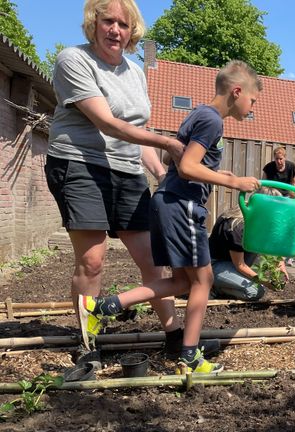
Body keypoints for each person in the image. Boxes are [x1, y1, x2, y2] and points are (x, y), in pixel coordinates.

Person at [77, 60, 263, 373]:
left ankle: (102, 306)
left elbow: (172, 156)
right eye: (253, 100)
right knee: (203, 280)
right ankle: (190, 357)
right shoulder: (213, 121)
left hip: (168, 202)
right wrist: (234, 182)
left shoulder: (198, 113)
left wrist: (215, 172)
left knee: (180, 281)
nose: (252, 107)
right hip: (182, 206)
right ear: (236, 91)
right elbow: (188, 167)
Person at [45, 0, 193, 355]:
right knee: (93, 260)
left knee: (152, 260)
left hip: (126, 171)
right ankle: (87, 341)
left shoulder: (135, 71)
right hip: (79, 164)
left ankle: (173, 336)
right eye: (108, 21)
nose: (115, 30)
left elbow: (136, 128)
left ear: (132, 32)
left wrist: (161, 173)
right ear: (93, 23)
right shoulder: (73, 60)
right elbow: (108, 123)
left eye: (123, 25)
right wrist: (169, 143)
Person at [208, 186, 289, 300]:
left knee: (261, 270)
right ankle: (214, 286)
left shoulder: (259, 219)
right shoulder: (237, 225)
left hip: (235, 262)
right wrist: (265, 282)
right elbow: (240, 265)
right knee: (255, 291)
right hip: (214, 265)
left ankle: (228, 282)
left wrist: (280, 263)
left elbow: (272, 243)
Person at [262, 146, 295, 268]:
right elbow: (263, 183)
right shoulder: (269, 168)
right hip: (273, 196)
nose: (279, 162)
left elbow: (293, 182)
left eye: (281, 159)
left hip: (286, 196)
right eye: (276, 159)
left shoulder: (291, 167)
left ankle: (287, 255)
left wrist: (293, 194)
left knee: (287, 224)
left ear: (284, 158)